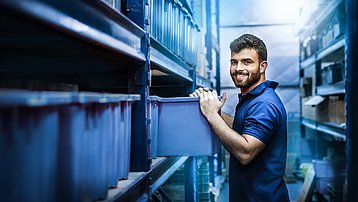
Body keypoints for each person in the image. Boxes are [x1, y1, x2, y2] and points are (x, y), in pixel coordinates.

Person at [190, 34, 289, 201]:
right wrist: (212, 108)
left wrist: (212, 115)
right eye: (234, 62)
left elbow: (245, 152)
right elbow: (240, 126)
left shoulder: (264, 104)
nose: (238, 68)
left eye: (247, 62)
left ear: (262, 66)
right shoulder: (253, 98)